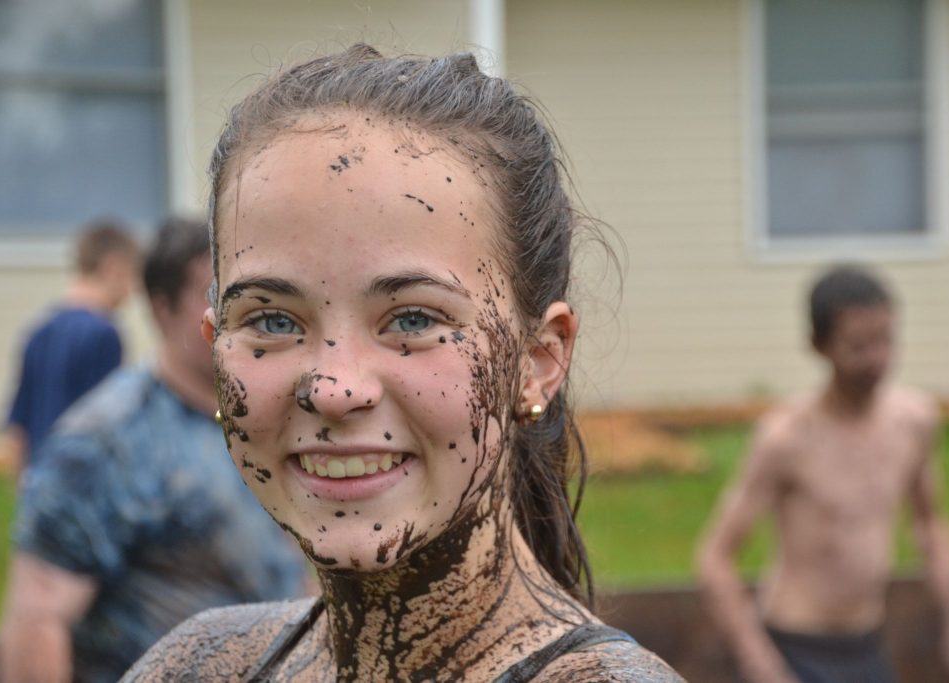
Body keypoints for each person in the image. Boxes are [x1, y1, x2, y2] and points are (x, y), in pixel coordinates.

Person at [124, 45, 682, 681]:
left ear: (538, 361)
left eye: (414, 320)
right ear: (215, 345)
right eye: (274, 320)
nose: (334, 390)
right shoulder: (197, 666)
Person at [0, 218, 307, 683]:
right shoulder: (105, 442)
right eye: (214, 297)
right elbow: (37, 619)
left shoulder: (266, 419)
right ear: (161, 309)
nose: (237, 315)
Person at [696, 265, 949, 683]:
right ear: (819, 345)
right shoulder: (786, 438)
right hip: (794, 647)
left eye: (885, 340)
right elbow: (715, 557)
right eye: (857, 346)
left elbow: (931, 525)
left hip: (867, 646)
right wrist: (760, 663)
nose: (876, 359)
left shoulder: (914, 423)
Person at [5, 220, 140, 470]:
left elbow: (18, 429)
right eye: (133, 276)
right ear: (113, 267)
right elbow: (106, 424)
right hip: (80, 486)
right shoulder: (104, 334)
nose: (133, 291)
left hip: (42, 484)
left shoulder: (38, 332)